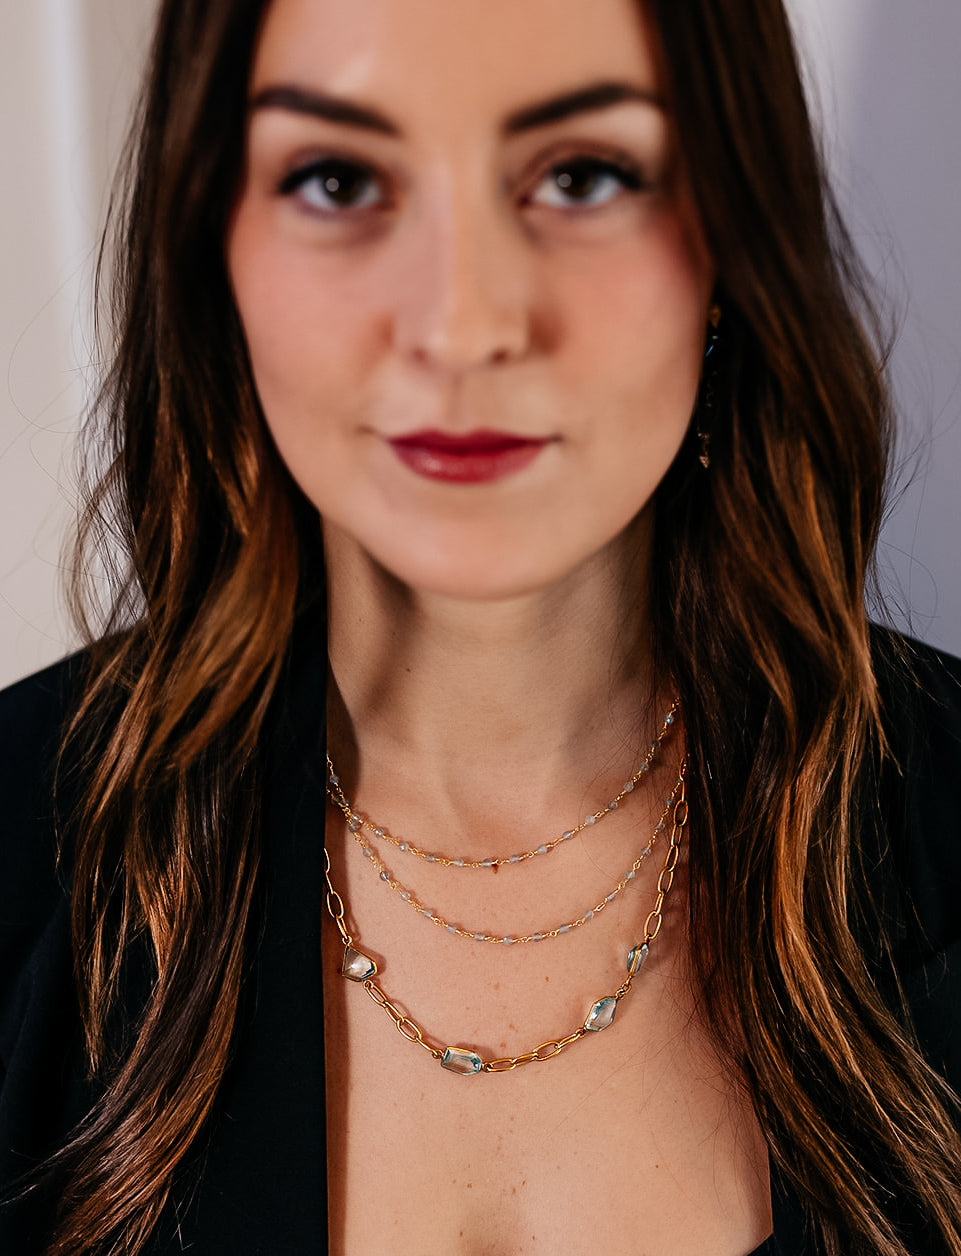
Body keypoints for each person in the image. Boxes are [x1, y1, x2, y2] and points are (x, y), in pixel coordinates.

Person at [1, 0, 959, 1252]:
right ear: (213, 241)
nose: (460, 322)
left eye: (581, 174)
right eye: (339, 178)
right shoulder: (22, 841)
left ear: (732, 226)